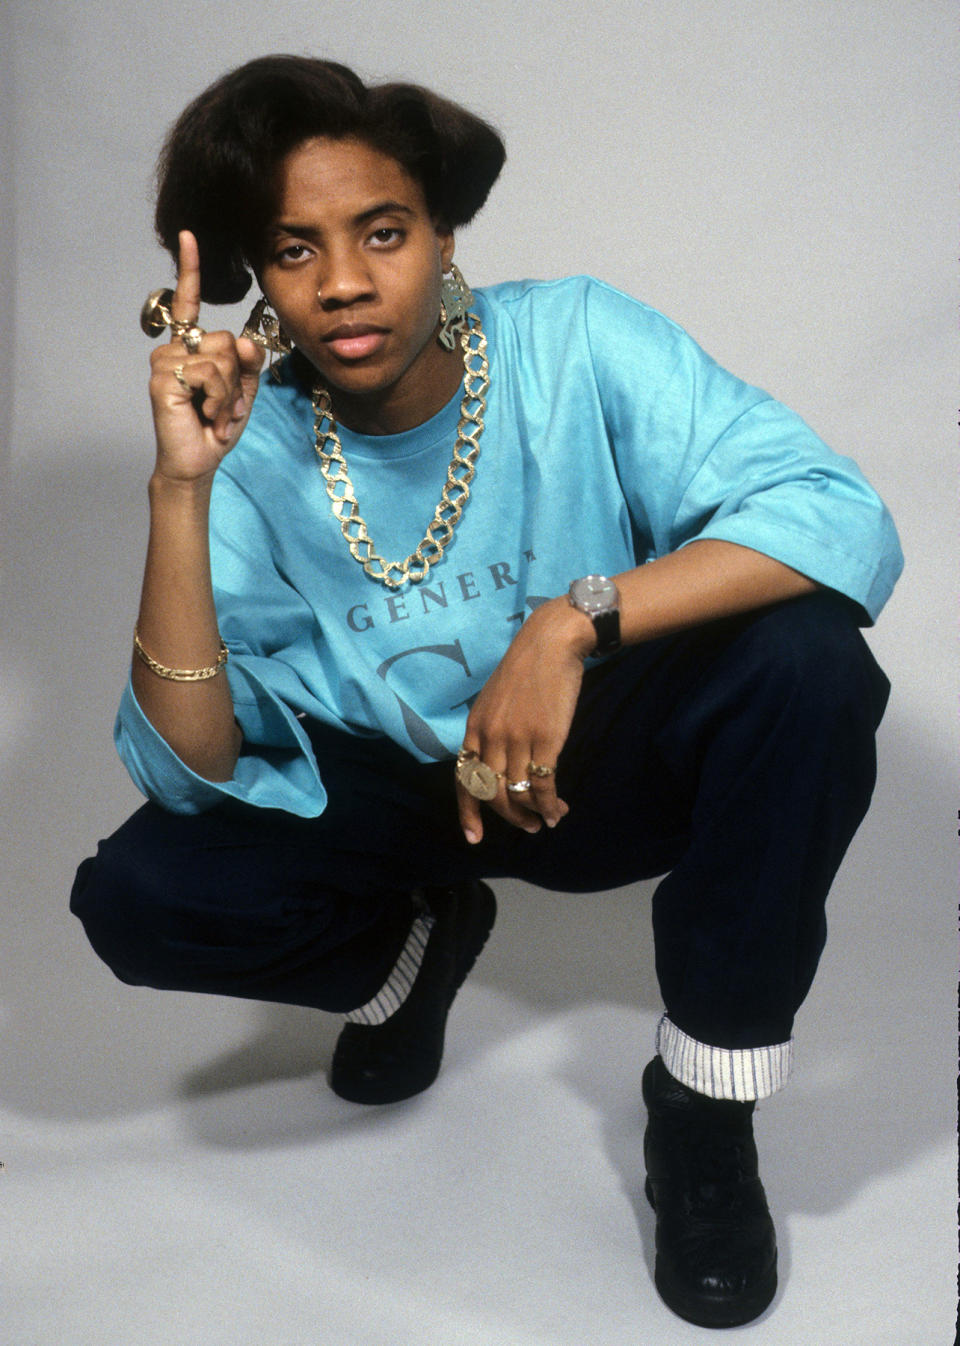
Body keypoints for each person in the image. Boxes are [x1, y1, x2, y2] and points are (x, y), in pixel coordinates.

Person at [70, 54, 901, 1330]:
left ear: (444, 234)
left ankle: (704, 1108)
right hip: (402, 797)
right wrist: (182, 484)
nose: (344, 280)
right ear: (258, 278)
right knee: (140, 890)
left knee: (807, 660)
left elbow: (839, 519)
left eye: (382, 232)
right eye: (294, 250)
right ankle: (416, 955)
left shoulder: (572, 337)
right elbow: (190, 764)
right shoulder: (248, 439)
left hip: (590, 767)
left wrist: (574, 620)